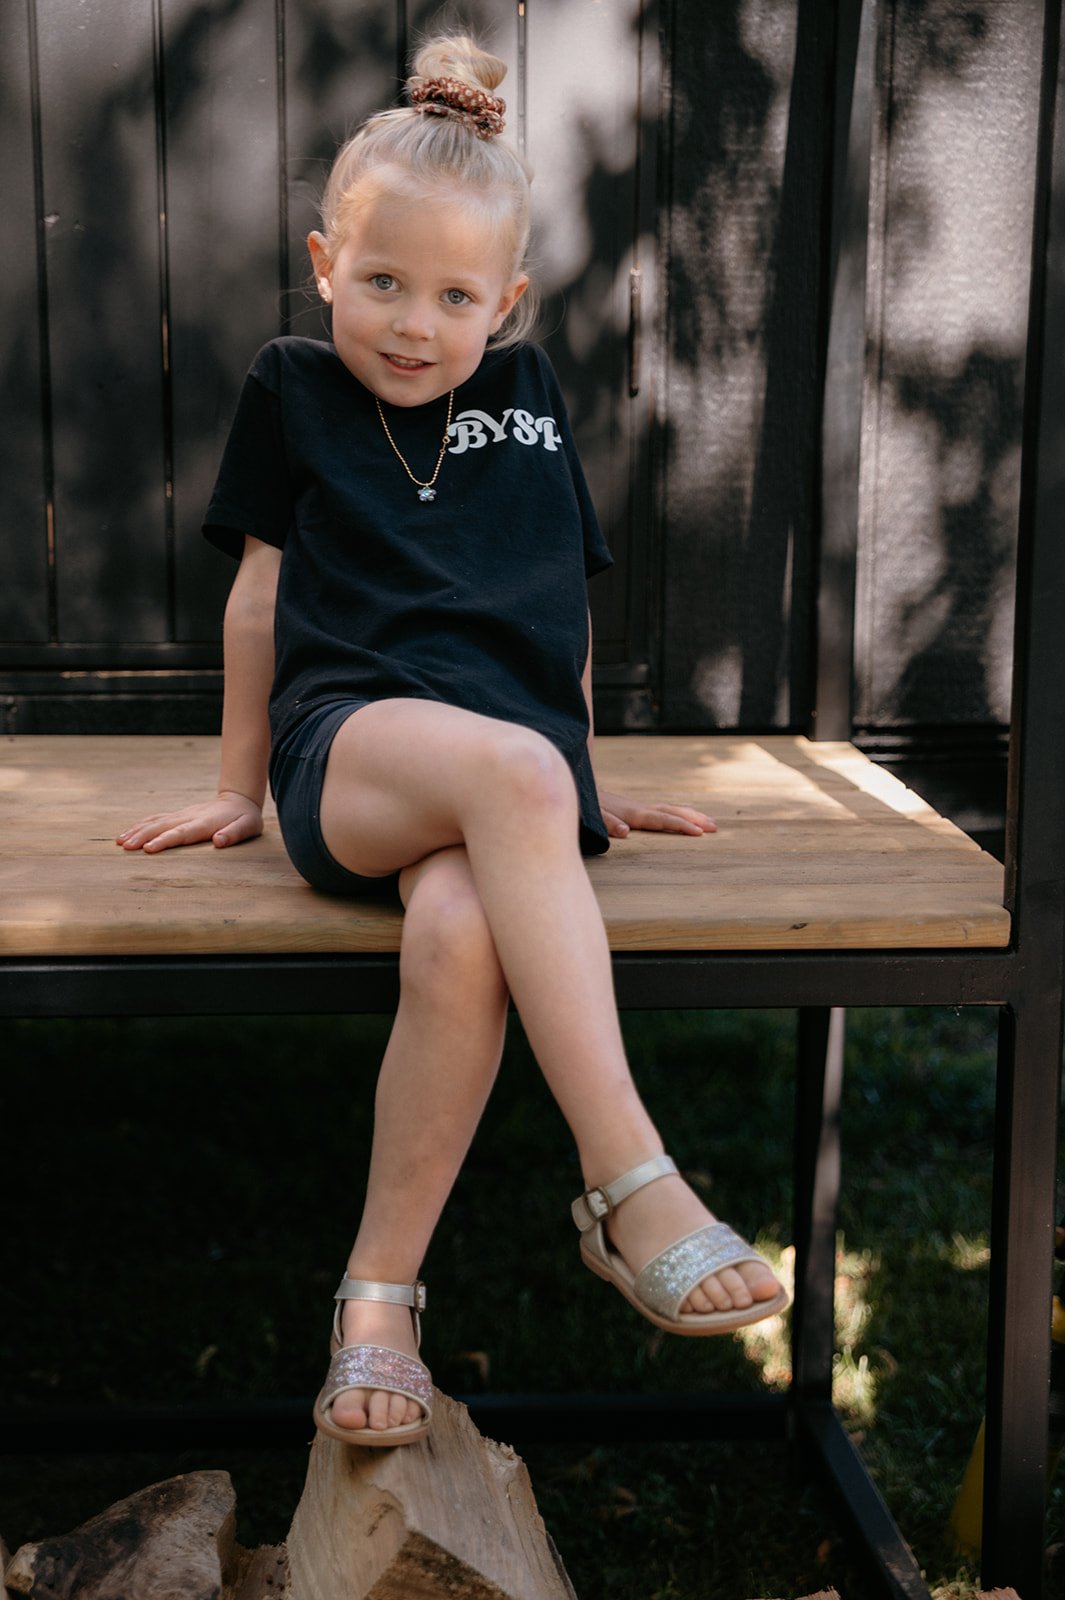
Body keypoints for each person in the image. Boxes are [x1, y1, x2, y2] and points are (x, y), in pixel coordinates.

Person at [117, 34, 788, 1450]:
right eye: (379, 283)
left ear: (509, 300)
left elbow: (560, 613)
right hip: (350, 751)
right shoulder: (294, 388)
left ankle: (376, 1303)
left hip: (507, 783)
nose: (411, 324)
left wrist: (578, 789)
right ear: (320, 262)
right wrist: (239, 790)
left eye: (452, 296)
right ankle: (628, 1178)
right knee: (510, 771)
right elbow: (261, 594)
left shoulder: (530, 397)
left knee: (464, 923)